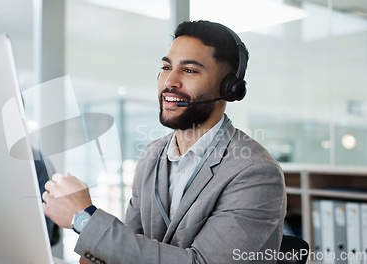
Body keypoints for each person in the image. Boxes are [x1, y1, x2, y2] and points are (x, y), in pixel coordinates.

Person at [42, 20, 286, 264]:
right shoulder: (152, 155)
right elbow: (128, 250)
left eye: (189, 70)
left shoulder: (256, 172)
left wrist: (84, 218)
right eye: (166, 67)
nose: (170, 81)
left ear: (229, 88)